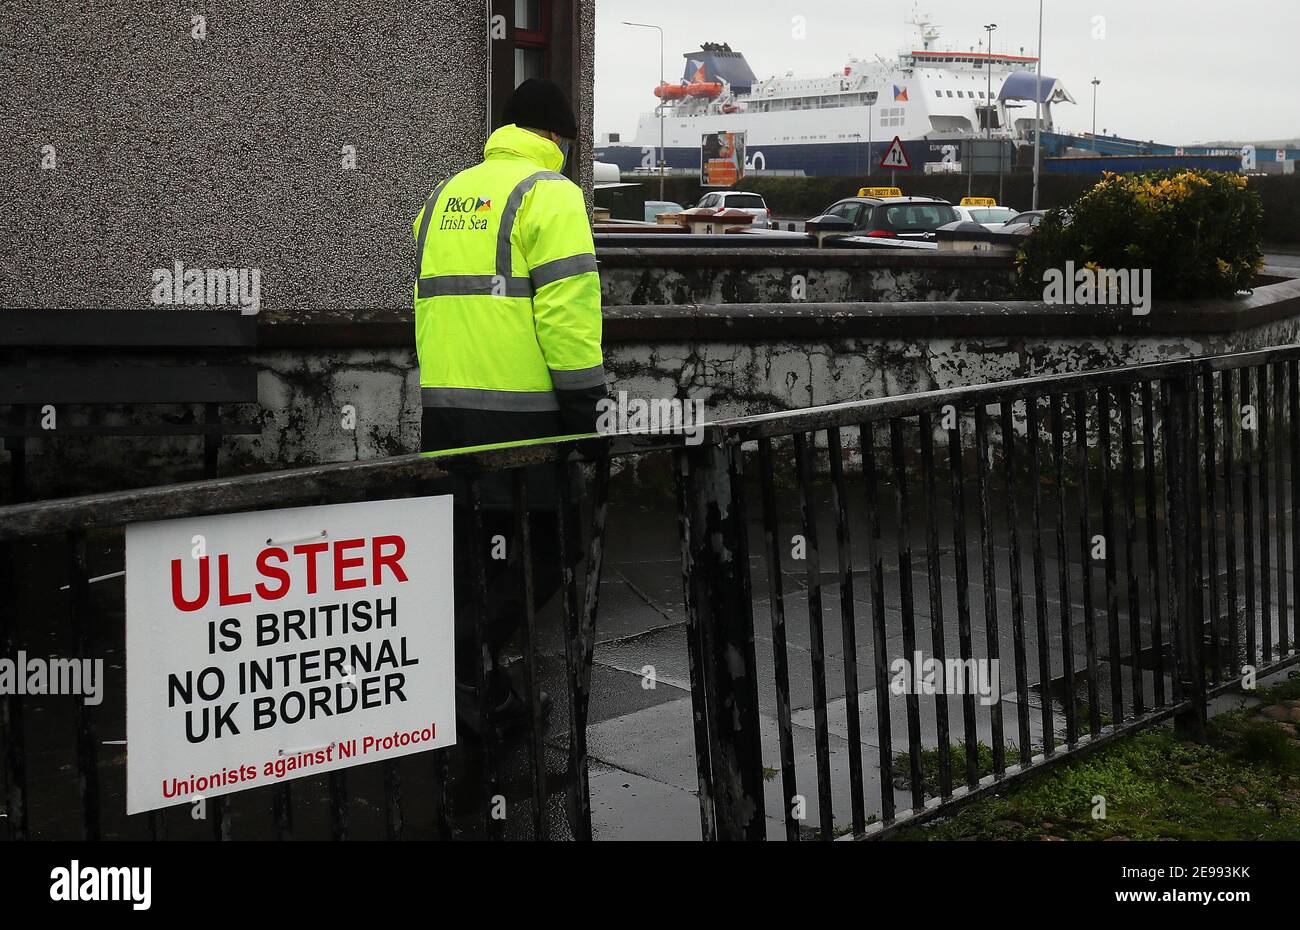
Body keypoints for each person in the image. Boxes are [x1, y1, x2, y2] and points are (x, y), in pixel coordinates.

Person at [411, 79, 605, 734]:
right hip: (522, 424)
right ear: (554, 138)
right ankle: (462, 667)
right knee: (554, 551)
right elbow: (568, 317)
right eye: (569, 143)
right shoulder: (552, 196)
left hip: (446, 419)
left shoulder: (443, 196)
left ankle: (483, 698)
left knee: (476, 562)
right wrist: (588, 417)